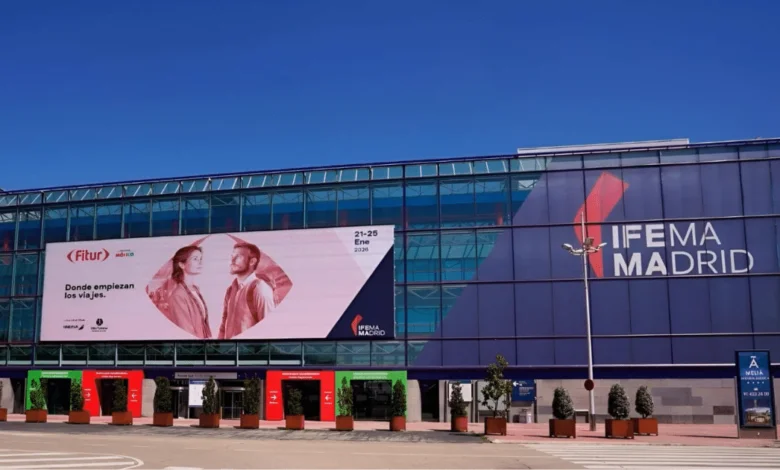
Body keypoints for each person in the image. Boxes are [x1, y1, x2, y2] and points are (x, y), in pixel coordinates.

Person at [217, 242, 275, 339]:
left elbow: (268, 328)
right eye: (232, 256)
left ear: (252, 261)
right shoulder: (231, 290)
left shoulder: (259, 288)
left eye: (238, 257)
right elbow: (223, 327)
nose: (232, 260)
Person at [167, 245, 213, 339]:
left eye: (200, 259)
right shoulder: (178, 295)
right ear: (182, 265)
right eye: (195, 259)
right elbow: (186, 331)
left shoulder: (196, 290)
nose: (200, 262)